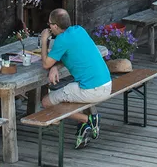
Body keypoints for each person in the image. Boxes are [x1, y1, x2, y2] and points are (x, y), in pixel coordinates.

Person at [40, 8, 111, 149]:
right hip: (106, 83)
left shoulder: (61, 40)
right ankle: (84, 128)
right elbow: (68, 54)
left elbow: (45, 63)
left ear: (54, 26)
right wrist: (56, 67)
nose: (49, 28)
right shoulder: (79, 30)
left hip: (92, 89)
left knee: (46, 102)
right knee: (63, 94)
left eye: (49, 24)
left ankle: (88, 119)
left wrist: (43, 40)